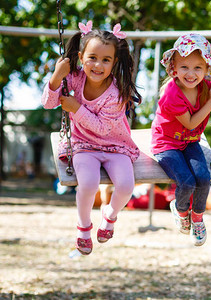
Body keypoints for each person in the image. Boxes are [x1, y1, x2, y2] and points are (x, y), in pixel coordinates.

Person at [41, 21, 141, 255]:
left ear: (114, 63)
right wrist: (56, 78)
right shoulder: (74, 78)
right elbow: (48, 103)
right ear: (81, 56)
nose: (98, 65)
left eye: (106, 60)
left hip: (116, 146)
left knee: (126, 186)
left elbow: (103, 128)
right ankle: (84, 227)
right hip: (84, 145)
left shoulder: (117, 93)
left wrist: (76, 108)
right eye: (92, 57)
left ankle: (110, 215)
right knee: (87, 184)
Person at [151, 33, 211, 246]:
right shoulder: (171, 94)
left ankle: (198, 217)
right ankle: (181, 209)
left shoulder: (206, 86)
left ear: (207, 69)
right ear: (174, 68)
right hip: (166, 144)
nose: (191, 74)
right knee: (187, 181)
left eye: (198, 68)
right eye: (184, 67)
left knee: (203, 177)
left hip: (190, 142)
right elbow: (190, 123)